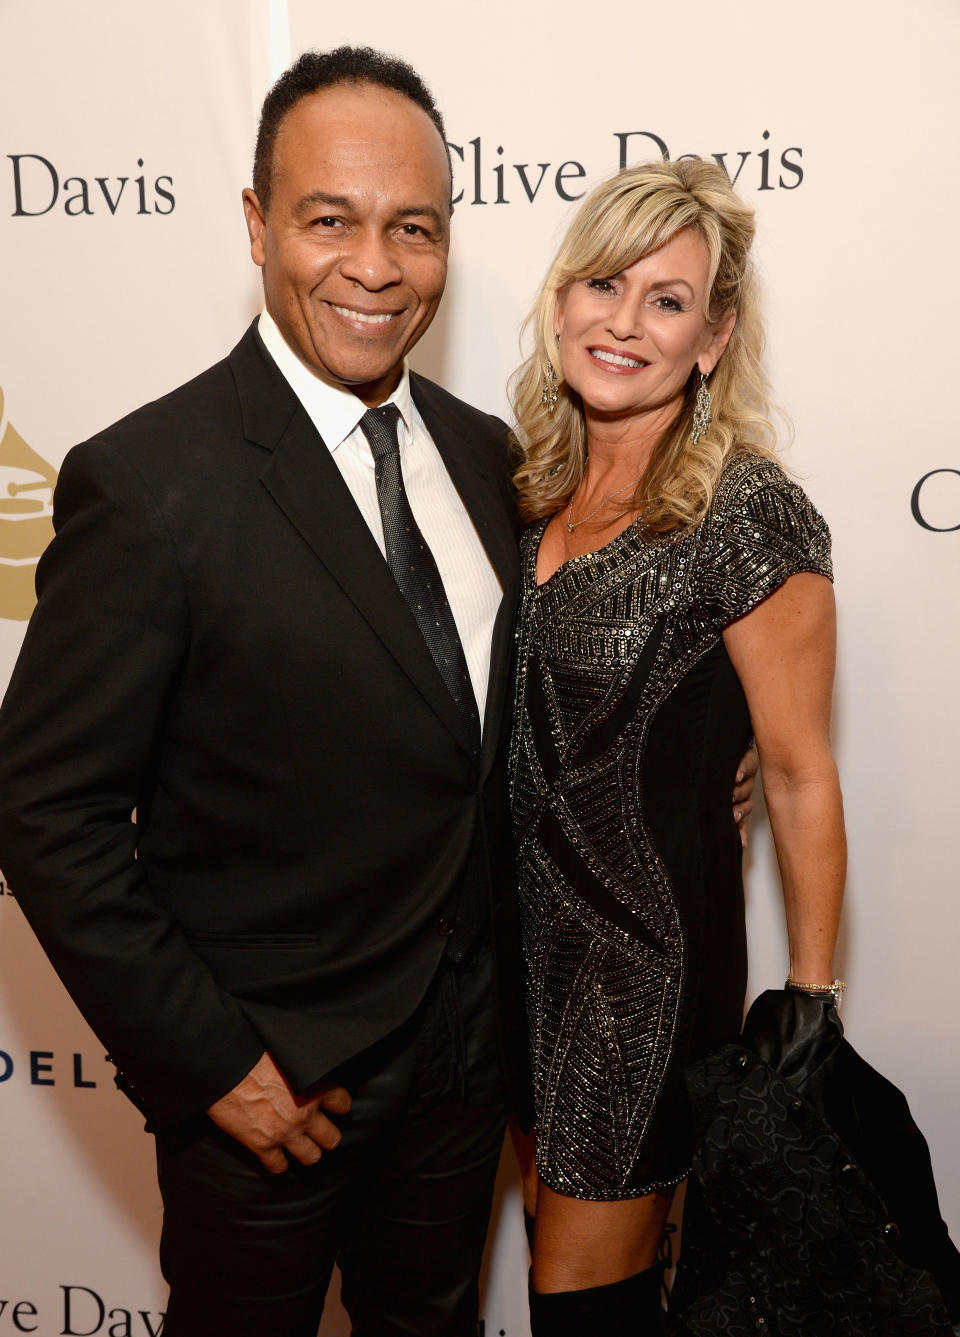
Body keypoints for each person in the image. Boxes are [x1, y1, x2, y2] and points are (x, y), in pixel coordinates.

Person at [0, 47, 529, 1337]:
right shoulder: (148, 481)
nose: (375, 265)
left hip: (465, 1062)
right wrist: (212, 1065)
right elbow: (44, 808)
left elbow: (489, 734)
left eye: (412, 226)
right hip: (275, 1083)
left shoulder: (486, 453)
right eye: (328, 220)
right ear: (256, 225)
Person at [508, 159, 844, 1334]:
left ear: (713, 337)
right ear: (561, 303)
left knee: (581, 1305)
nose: (625, 321)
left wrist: (809, 999)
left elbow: (799, 769)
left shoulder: (748, 513)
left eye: (668, 298)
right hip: (503, 969)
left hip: (638, 978)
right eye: (604, 283)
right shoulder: (522, 491)